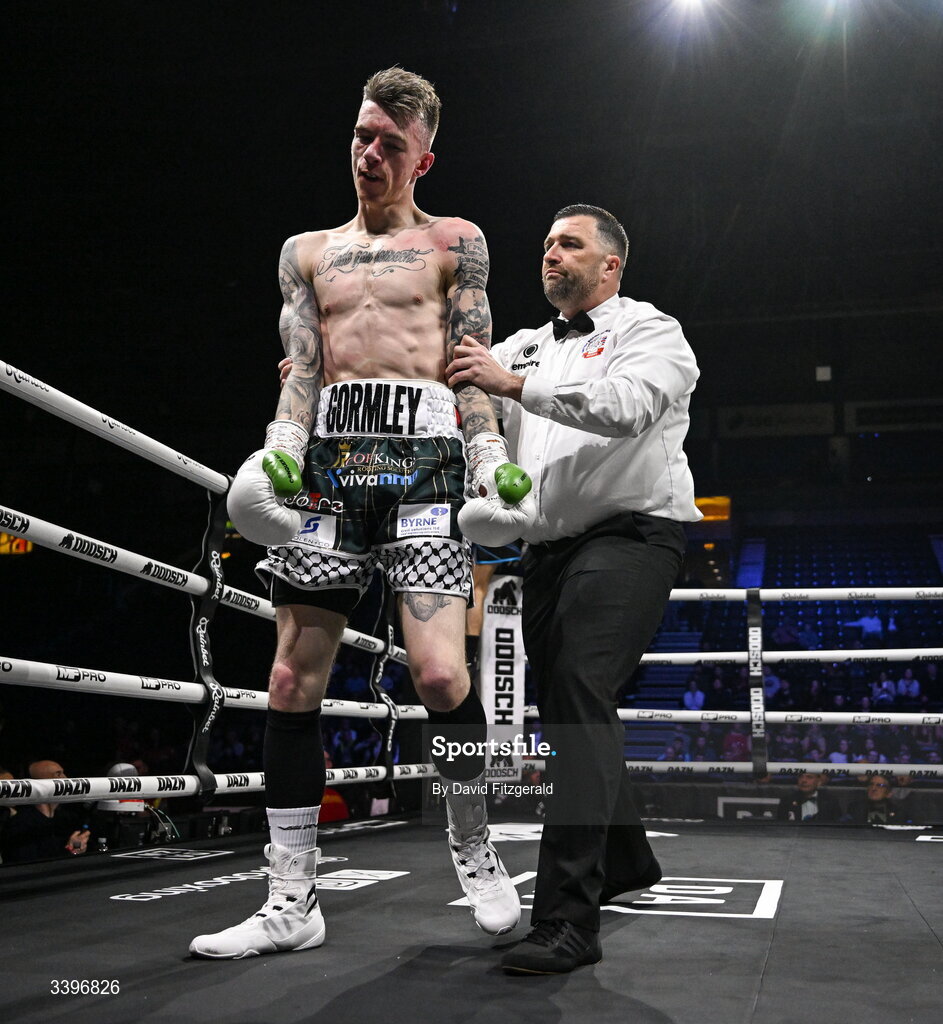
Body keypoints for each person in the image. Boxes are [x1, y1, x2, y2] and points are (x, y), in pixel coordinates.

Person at [190, 68, 532, 960]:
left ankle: (474, 846)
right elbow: (300, 366)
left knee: (440, 680)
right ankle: (291, 899)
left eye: (388, 142)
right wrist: (280, 447)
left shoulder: (457, 242)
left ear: (424, 155)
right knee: (288, 683)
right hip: (329, 472)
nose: (368, 154)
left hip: (423, 469)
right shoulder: (306, 250)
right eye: (359, 136)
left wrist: (488, 459)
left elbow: (468, 359)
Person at [445, 204, 701, 973]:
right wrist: (324, 374)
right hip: (548, 554)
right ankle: (624, 859)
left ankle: (565, 920)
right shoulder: (523, 344)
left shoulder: (652, 332)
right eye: (546, 244)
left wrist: (512, 385)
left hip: (630, 538)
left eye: (569, 243)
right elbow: (445, 386)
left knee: (580, 687)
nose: (551, 254)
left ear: (610, 263)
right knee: (565, 704)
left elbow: (626, 410)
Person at [0, 760, 91, 864]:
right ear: (41, 783)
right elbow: (27, 867)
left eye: (63, 773)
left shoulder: (67, 818)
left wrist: (75, 850)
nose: (66, 779)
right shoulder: (21, 823)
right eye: (58, 774)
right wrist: (69, 851)